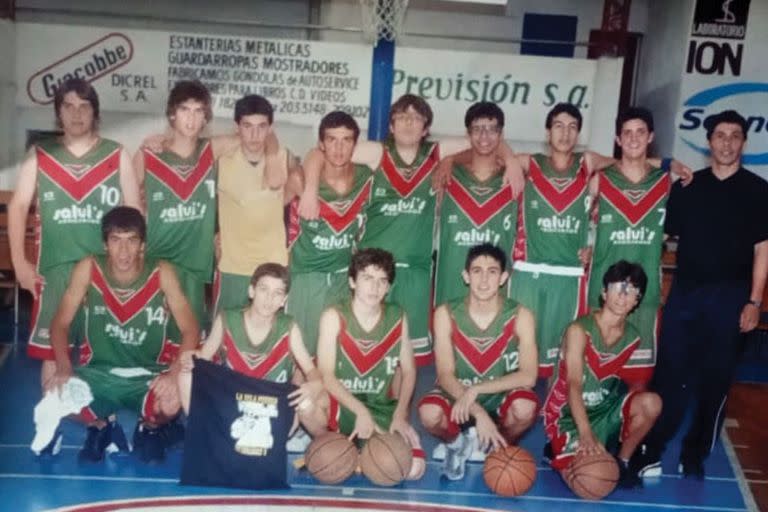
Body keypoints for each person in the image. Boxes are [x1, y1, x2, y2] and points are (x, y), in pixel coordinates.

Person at [299, 95, 523, 365]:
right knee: (361, 348)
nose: (408, 123)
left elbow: (486, 141)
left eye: (416, 118)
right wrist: (310, 190)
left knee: (405, 359)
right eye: (401, 117)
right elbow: (318, 152)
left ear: (426, 128)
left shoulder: (436, 153)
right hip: (374, 271)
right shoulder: (377, 153)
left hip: (416, 272)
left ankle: (397, 407)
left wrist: (509, 160)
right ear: (391, 126)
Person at [640, 110, 768, 479]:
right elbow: (661, 237)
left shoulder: (758, 190)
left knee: (715, 380)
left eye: (734, 136)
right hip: (686, 293)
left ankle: (694, 455)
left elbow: (763, 249)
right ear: (708, 142)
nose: (727, 142)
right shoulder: (687, 187)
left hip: (731, 297)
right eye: (720, 135)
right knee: (669, 375)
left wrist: (755, 301)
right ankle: (652, 448)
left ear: (743, 142)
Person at [9, 78, 141, 396]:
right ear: (58, 114)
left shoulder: (116, 155)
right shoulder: (40, 155)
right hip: (54, 271)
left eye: (84, 106)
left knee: (105, 354)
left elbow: (135, 214)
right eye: (68, 106)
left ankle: (101, 427)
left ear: (95, 113)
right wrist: (19, 262)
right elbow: (19, 206)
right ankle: (51, 427)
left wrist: (135, 267)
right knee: (53, 354)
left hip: (105, 272)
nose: (77, 113)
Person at [45, 206, 199, 463]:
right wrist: (62, 365)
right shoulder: (89, 268)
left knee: (172, 402)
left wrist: (173, 373)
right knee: (53, 393)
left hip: (149, 373)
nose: (124, 251)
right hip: (100, 372)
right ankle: (102, 427)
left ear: (142, 245)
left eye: (132, 241)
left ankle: (148, 429)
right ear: (105, 244)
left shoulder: (161, 272)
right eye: (116, 241)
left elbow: (190, 329)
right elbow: (60, 323)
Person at [418, 243, 538, 480]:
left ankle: (495, 444)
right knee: (428, 412)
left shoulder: (521, 315)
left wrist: (477, 390)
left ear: (503, 278)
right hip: (459, 396)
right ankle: (457, 444)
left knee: (525, 408)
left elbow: (528, 376)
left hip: (499, 394)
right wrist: (478, 412)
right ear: (466, 276)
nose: (484, 280)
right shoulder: (445, 313)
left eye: (492, 272)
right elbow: (445, 375)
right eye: (476, 271)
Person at [542, 260, 662, 489]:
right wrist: (586, 433)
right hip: (567, 412)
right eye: (618, 287)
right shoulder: (578, 330)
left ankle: (623, 461)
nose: (622, 296)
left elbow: (629, 384)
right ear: (604, 292)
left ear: (637, 300)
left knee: (652, 403)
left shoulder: (633, 337)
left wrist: (631, 422)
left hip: (603, 408)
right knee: (591, 482)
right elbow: (573, 384)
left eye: (631, 291)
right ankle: (558, 449)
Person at [178, 263, 327, 438]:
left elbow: (311, 370)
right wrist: (192, 357)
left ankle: (317, 444)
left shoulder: (289, 327)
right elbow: (203, 360)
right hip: (232, 399)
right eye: (264, 289)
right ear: (251, 291)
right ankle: (205, 433)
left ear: (283, 300)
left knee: (308, 400)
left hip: (268, 405)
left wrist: (314, 385)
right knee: (186, 374)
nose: (269, 298)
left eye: (277, 293)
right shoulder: (227, 319)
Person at [316, 248, 425, 480]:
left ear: (388, 287)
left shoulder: (398, 316)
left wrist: (400, 414)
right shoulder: (333, 316)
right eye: (367, 278)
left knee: (414, 470)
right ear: (352, 282)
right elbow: (326, 375)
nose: (375, 287)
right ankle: (330, 444)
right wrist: (360, 411)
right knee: (308, 404)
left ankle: (362, 452)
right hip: (342, 402)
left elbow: (409, 370)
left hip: (380, 406)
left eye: (382, 281)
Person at [587, 107, 671, 387]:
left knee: (639, 379)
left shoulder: (665, 182)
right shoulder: (600, 180)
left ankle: (629, 430)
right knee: (596, 374)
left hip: (644, 295)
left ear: (651, 137)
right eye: (627, 133)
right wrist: (586, 246)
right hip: (604, 291)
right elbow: (578, 222)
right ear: (618, 139)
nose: (634, 139)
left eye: (640, 132)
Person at [135, 80, 220, 350]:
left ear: (206, 117)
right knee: (150, 344)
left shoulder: (213, 151)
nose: (191, 118)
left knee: (189, 348)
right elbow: (127, 206)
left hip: (194, 265)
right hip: (156, 261)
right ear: (172, 113)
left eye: (198, 111)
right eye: (185, 110)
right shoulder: (148, 154)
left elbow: (258, 135)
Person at [285, 111, 373, 357]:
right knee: (301, 356)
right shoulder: (299, 179)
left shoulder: (366, 178)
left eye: (346, 140)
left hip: (344, 279)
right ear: (321, 144)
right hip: (306, 276)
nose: (338, 148)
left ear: (355, 145)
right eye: (332, 140)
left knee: (336, 355)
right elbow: (269, 216)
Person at [215, 95, 302, 313]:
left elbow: (298, 182)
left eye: (261, 127)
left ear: (270, 128)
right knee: (226, 337)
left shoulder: (284, 156)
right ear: (237, 127)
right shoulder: (221, 161)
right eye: (247, 126)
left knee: (271, 338)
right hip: (233, 267)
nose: (254, 135)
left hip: (272, 267)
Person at [433, 102, 517, 307]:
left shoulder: (515, 180)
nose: (484, 137)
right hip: (450, 288)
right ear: (468, 133)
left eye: (492, 129)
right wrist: (449, 159)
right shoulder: (446, 177)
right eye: (478, 129)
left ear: (501, 134)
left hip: (496, 294)